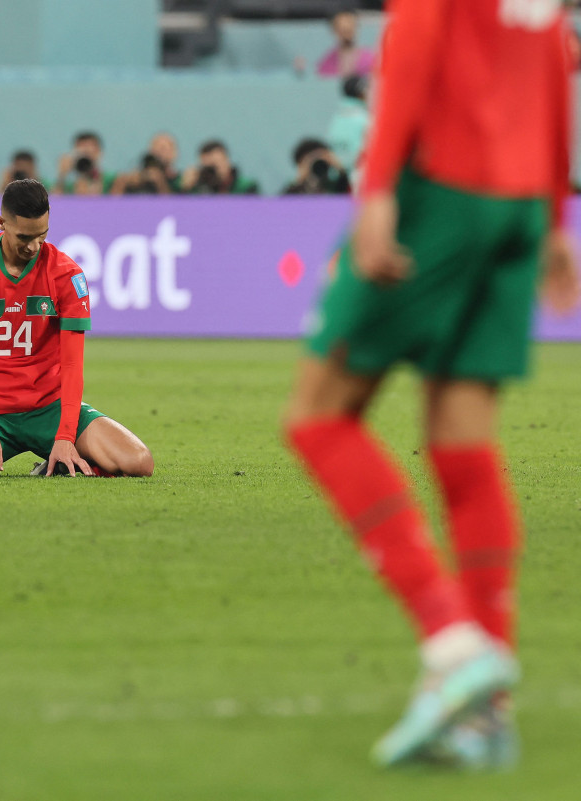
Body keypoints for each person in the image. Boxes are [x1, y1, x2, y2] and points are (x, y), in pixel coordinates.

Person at [284, 0, 577, 769]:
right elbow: (556, 54)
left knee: (318, 416)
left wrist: (377, 189)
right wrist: (551, 220)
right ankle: (487, 718)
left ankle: (452, 641)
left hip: (443, 185)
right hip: (516, 198)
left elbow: (413, 35)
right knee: (463, 442)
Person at [0, 179, 153, 479]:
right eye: (24, 237)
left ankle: (62, 464)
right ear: (1, 223)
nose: (33, 246)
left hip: (49, 409)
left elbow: (72, 365)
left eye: (42, 235)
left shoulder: (67, 274)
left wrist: (65, 436)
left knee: (139, 462)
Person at [180, 140, 259, 195]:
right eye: (208, 168)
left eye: (216, 164)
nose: (213, 171)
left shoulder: (246, 187)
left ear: (226, 159)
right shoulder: (200, 190)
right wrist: (186, 189)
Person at [316, 9, 376, 78]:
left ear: (356, 28)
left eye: (349, 30)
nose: (347, 36)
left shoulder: (371, 60)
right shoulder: (327, 63)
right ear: (335, 31)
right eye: (343, 31)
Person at [282, 138, 351, 195]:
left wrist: (341, 170)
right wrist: (300, 183)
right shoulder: (295, 194)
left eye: (322, 158)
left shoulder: (342, 180)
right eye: (309, 162)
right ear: (301, 169)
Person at [54, 131, 114, 196]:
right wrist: (62, 175)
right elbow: (53, 200)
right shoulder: (69, 185)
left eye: (90, 153)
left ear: (99, 153)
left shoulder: (112, 180)